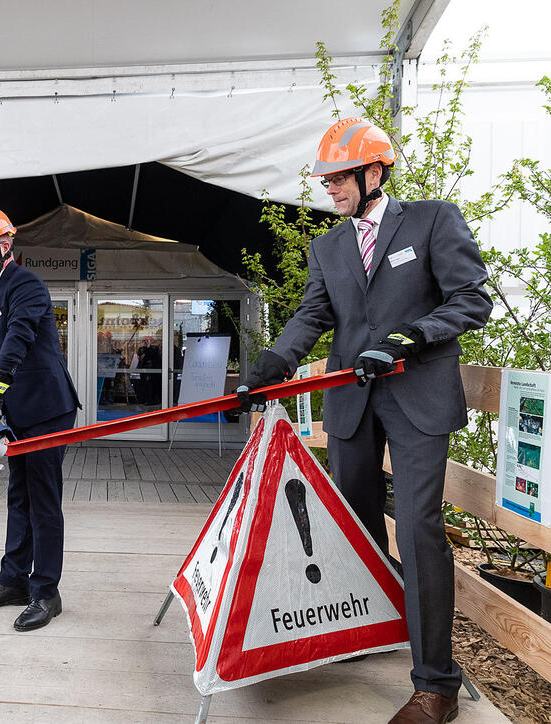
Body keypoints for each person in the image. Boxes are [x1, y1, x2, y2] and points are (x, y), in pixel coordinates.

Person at [237, 118, 491, 724]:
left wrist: (411, 338)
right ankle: (369, 631)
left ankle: (436, 685)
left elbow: (471, 299)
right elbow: (313, 314)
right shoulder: (329, 247)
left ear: (374, 171)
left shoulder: (432, 221)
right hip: (353, 404)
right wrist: (272, 363)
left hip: (417, 398)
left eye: (338, 177)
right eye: (325, 181)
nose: (330, 189)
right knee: (354, 526)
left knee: (420, 527)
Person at [0, 204, 80, 632]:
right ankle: (13, 581)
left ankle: (46, 591)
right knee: (19, 495)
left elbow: (17, 342)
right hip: (19, 413)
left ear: (4, 244)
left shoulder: (26, 284)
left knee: (43, 499)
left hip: (47, 409)